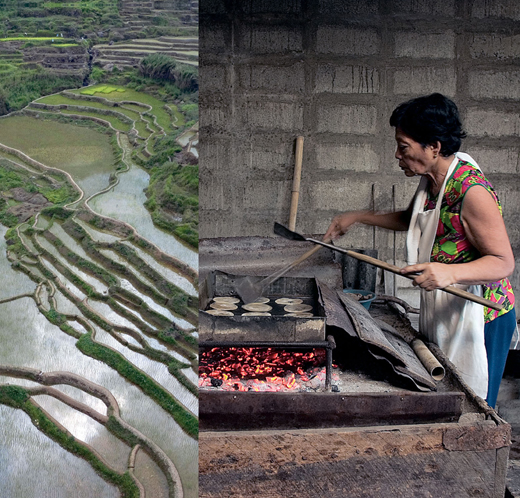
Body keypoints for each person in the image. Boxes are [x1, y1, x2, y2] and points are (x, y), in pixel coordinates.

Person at [324, 93, 516, 407]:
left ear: (434, 147)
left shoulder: (471, 191)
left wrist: (448, 271)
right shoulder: (432, 180)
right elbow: (412, 218)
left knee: (475, 403)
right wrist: (358, 217)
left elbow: (503, 261)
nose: (397, 155)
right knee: (446, 391)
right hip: (447, 304)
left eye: (403, 146)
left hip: (481, 315)